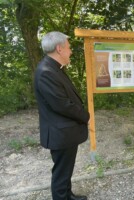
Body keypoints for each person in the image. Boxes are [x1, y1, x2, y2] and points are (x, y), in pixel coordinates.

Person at [34, 31, 90, 200]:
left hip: (65, 131)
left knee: (66, 169)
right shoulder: (46, 71)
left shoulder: (54, 67)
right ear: (59, 49)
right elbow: (62, 105)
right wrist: (85, 116)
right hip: (60, 132)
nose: (71, 51)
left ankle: (68, 195)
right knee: (61, 172)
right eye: (69, 47)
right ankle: (61, 196)